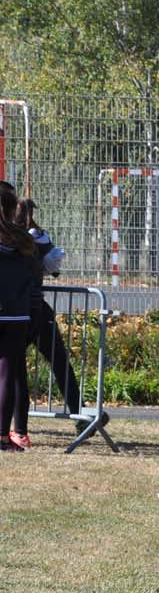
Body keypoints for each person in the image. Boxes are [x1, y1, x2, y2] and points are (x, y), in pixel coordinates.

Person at [20, 198, 82, 423]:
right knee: (59, 361)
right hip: (36, 309)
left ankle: (16, 426)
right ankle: (78, 411)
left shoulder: (19, 237)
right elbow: (52, 266)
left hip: (18, 311)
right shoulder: (37, 237)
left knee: (13, 368)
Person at [0, 183, 38, 452]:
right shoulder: (23, 239)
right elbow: (37, 270)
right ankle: (3, 436)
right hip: (15, 315)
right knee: (7, 374)